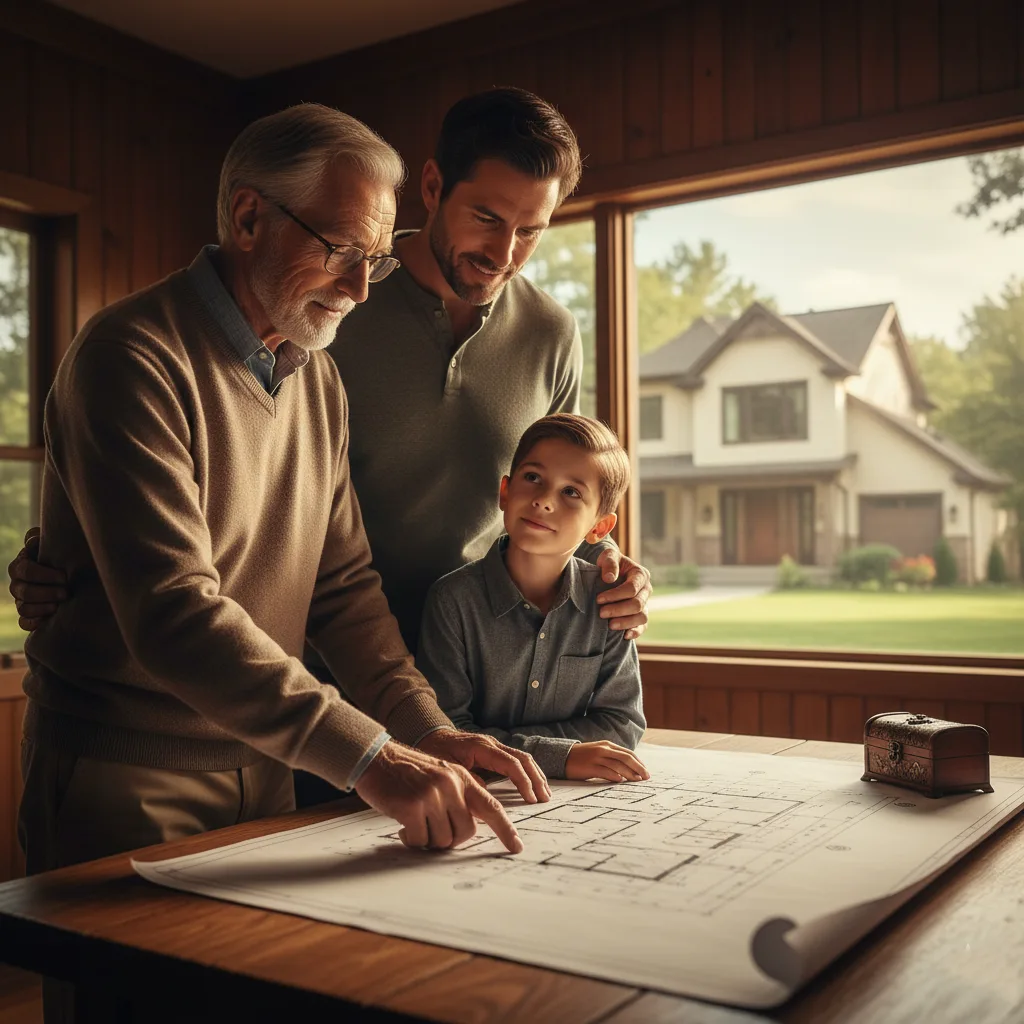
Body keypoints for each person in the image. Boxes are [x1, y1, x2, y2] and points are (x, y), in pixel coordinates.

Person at [14, 102, 549, 882]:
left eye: (377, 260)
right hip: (128, 768)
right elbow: (175, 611)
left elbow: (342, 589)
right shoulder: (130, 356)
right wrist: (370, 754)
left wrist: (424, 730)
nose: (363, 289)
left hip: (269, 762)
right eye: (341, 251)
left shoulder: (316, 374)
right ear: (248, 217)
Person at [418, 414, 650, 783]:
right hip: (474, 792)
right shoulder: (453, 601)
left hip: (574, 802)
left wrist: (535, 753)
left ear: (599, 527)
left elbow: (623, 725)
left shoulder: (609, 602)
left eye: (571, 492)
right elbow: (448, 736)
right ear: (505, 492)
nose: (543, 500)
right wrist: (563, 756)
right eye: (533, 478)